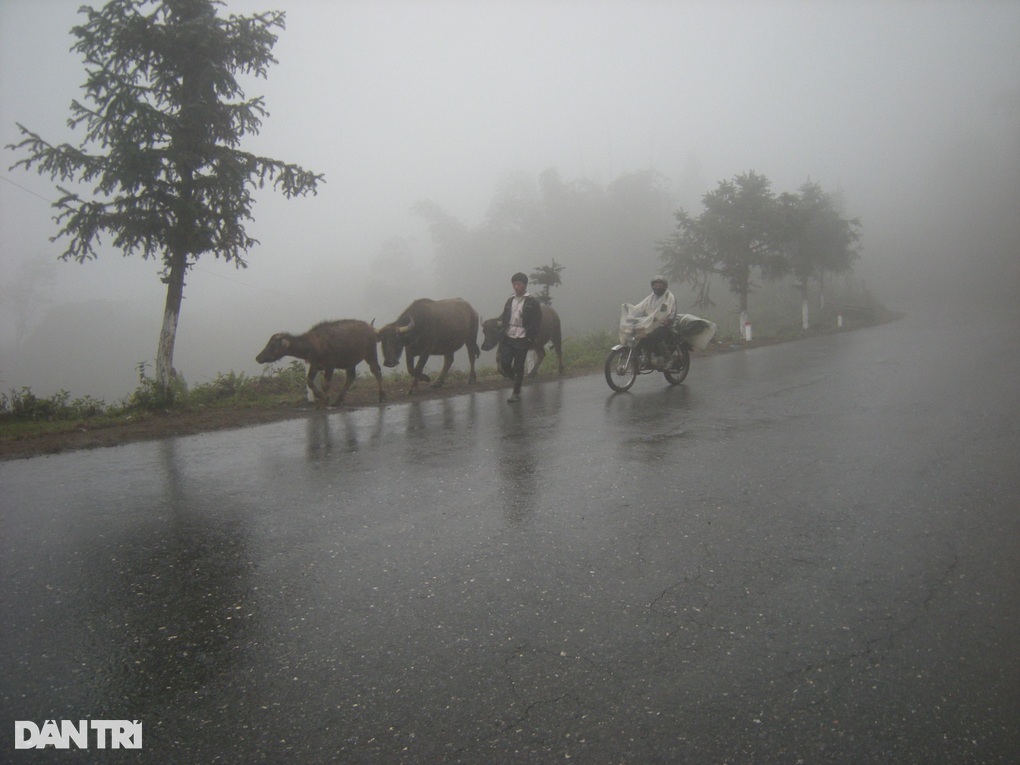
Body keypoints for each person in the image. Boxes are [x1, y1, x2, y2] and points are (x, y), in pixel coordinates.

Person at [497, 272, 542, 403]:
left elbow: (536, 322)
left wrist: (530, 338)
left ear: (524, 285)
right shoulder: (510, 300)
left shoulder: (532, 302)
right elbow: (505, 316)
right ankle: (516, 379)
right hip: (509, 335)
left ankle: (516, 393)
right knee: (505, 363)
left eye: (519, 284)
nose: (516, 287)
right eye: (514, 284)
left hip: (522, 337)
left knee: (518, 365)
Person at [632, 275, 677, 365]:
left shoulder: (669, 297)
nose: (657, 287)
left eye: (659, 285)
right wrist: (632, 316)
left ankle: (668, 359)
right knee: (640, 337)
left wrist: (669, 319)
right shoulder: (650, 298)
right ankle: (643, 358)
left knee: (656, 335)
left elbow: (673, 310)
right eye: (655, 285)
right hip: (651, 324)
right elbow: (641, 308)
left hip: (665, 325)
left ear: (664, 286)